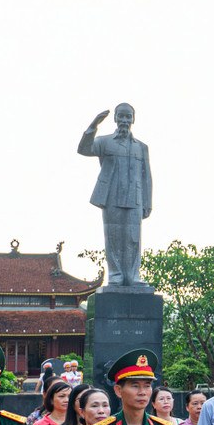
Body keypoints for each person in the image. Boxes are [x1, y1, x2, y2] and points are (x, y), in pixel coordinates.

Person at [77, 104, 152, 288]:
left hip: (135, 198)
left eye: (128, 117)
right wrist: (94, 124)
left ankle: (133, 275)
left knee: (134, 238)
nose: (125, 120)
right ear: (115, 118)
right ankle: (116, 275)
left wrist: (147, 202)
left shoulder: (141, 147)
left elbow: (146, 176)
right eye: (121, 116)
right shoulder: (105, 142)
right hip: (111, 197)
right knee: (113, 237)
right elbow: (84, 149)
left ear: (133, 119)